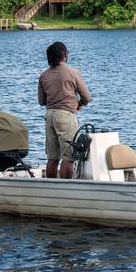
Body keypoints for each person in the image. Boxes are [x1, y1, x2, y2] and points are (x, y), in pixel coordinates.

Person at [38, 42, 91, 179]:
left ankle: (50, 187)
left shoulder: (43, 76)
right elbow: (86, 97)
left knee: (52, 157)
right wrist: (79, 105)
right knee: (69, 156)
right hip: (66, 116)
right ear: (65, 55)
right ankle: (67, 186)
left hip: (49, 116)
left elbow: (41, 101)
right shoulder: (73, 73)